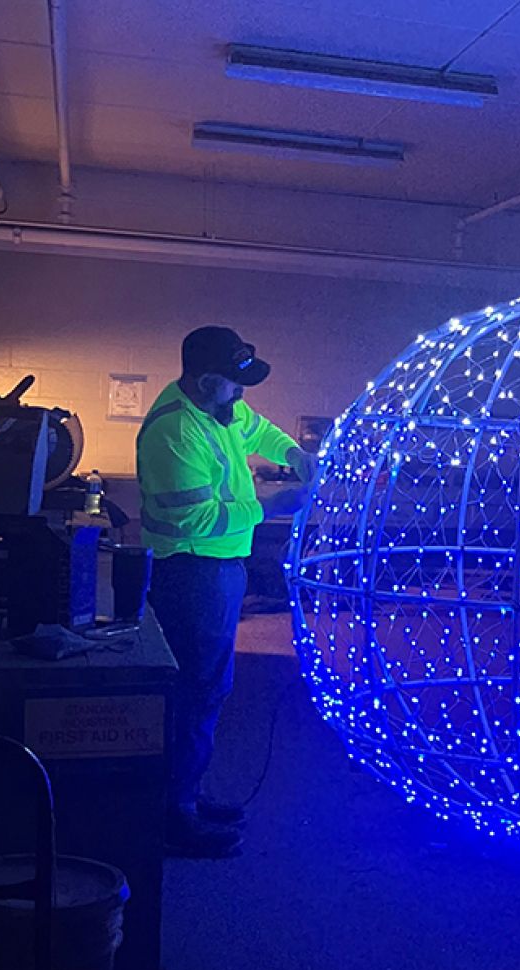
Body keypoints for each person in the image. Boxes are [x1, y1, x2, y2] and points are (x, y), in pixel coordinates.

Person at [137, 326, 315, 857]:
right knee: (197, 689)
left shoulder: (217, 409)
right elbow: (195, 518)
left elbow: (257, 428)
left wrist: (294, 452)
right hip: (192, 575)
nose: (242, 396)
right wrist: (272, 507)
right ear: (206, 379)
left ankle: (186, 793)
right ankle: (176, 815)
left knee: (206, 687)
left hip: (218, 571)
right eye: (233, 385)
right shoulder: (174, 432)